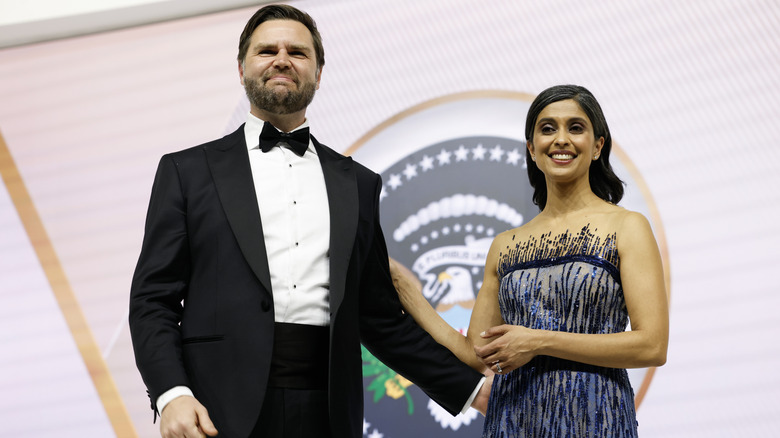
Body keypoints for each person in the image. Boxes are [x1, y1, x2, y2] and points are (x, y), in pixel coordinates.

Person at [128, 5, 490, 438]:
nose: (282, 59)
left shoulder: (358, 183)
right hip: (216, 409)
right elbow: (154, 300)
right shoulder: (186, 172)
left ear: (318, 72)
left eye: (298, 52)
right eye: (267, 51)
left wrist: (474, 391)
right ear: (241, 68)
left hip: (328, 411)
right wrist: (171, 393)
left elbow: (379, 318)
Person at [390, 84, 669, 437]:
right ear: (531, 149)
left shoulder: (627, 227)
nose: (561, 139)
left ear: (598, 146)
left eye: (576, 127)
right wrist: (406, 290)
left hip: (596, 419)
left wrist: (538, 341)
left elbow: (652, 345)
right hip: (513, 420)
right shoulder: (505, 245)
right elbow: (477, 353)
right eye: (547, 128)